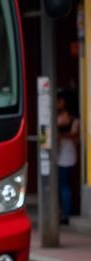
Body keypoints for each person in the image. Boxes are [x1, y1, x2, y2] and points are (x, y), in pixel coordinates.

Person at [57, 90, 80, 224]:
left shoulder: (70, 119)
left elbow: (74, 136)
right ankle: (66, 211)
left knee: (64, 185)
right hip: (65, 155)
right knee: (64, 184)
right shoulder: (73, 119)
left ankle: (66, 212)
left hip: (65, 156)